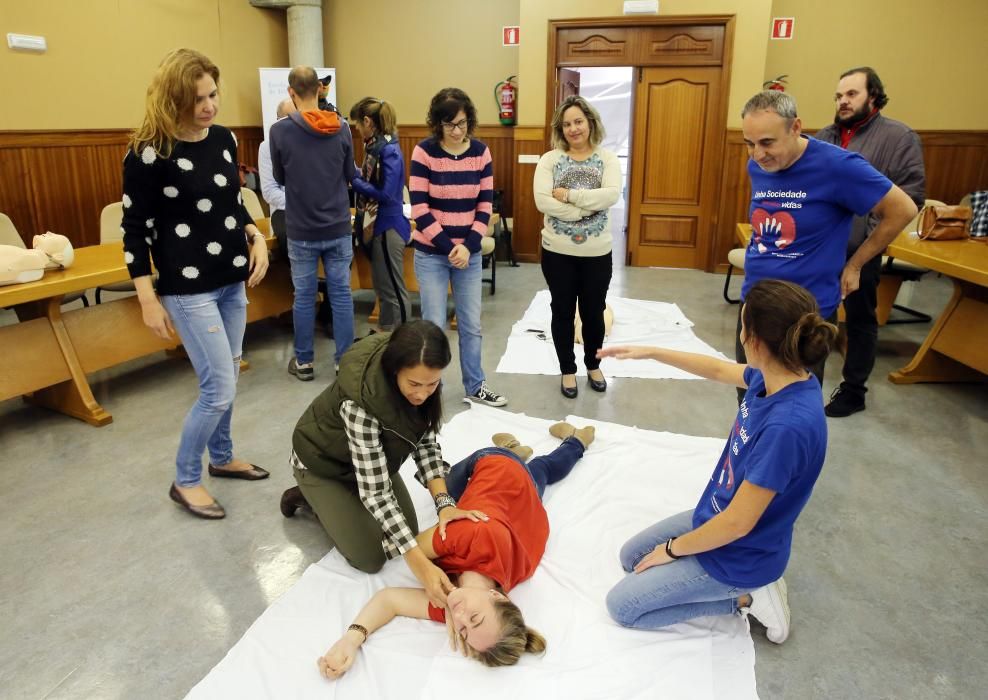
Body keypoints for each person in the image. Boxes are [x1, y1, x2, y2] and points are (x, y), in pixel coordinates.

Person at [600, 279, 838, 643]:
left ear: (754, 341)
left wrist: (672, 550)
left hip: (740, 554)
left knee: (623, 608)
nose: (738, 334)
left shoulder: (787, 427)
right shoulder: (774, 376)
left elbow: (737, 525)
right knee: (631, 557)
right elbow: (716, 370)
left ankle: (747, 597)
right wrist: (651, 352)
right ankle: (732, 585)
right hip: (718, 513)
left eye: (741, 325)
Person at [315, 421, 596, 679]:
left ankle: (577, 442)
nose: (459, 617)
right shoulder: (468, 534)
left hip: (525, 504)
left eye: (463, 631)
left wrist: (351, 639)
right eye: (474, 618)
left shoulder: (460, 604)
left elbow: (390, 600)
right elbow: (409, 547)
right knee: (445, 485)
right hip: (496, 465)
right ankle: (509, 449)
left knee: (543, 471)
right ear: (497, 597)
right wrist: (431, 573)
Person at [121, 48, 270, 520]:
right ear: (174, 101)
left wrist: (256, 236)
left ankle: (222, 458)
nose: (209, 106)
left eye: (213, 94)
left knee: (229, 372)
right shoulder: (149, 152)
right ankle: (186, 479)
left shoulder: (223, 139)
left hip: (230, 279)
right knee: (218, 387)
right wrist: (146, 296)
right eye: (197, 99)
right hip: (187, 290)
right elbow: (133, 229)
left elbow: (231, 200)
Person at [736, 90, 917, 401]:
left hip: (806, 309)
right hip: (756, 301)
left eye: (767, 142)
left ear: (795, 127)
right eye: (749, 144)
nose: (757, 154)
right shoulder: (759, 166)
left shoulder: (838, 166)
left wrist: (856, 264)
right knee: (750, 399)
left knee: (791, 406)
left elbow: (903, 209)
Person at [281, 320, 468, 610]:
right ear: (394, 371)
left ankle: (341, 508)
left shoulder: (424, 377)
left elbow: (426, 443)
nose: (422, 394)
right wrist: (421, 567)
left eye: (432, 384)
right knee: (370, 558)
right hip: (324, 463)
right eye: (414, 384)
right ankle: (309, 497)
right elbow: (377, 493)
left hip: (371, 462)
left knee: (405, 535)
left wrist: (445, 503)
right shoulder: (360, 403)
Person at [815, 67, 925, 417]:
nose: (843, 102)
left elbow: (910, 198)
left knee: (861, 320)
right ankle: (804, 387)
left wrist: (862, 251)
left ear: (873, 96)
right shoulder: (824, 136)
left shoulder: (898, 137)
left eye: (851, 94)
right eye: (838, 96)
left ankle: (854, 391)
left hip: (862, 249)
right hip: (822, 249)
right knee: (818, 316)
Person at [409, 87, 507, 407]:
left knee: (471, 324)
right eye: (449, 124)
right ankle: (429, 389)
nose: (456, 131)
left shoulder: (481, 152)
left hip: (469, 254)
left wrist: (468, 246)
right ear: (437, 123)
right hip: (431, 255)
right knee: (433, 325)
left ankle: (475, 385)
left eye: (462, 123)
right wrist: (450, 246)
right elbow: (420, 209)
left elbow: (484, 206)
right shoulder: (424, 152)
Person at [270, 65, 357, 381]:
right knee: (341, 294)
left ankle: (304, 362)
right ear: (320, 90)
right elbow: (351, 175)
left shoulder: (279, 131)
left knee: (304, 296)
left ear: (291, 93)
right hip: (336, 226)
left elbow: (280, 177)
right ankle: (344, 362)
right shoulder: (342, 128)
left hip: (301, 229)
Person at [534, 95, 621, 398]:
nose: (573, 128)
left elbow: (610, 195)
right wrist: (587, 208)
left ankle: (593, 365)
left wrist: (570, 197)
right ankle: (567, 370)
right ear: (561, 129)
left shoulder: (607, 159)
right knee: (562, 311)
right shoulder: (550, 160)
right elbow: (542, 200)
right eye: (567, 124)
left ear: (590, 122)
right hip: (557, 253)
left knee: (594, 312)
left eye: (578, 121)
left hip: (597, 253)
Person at [349, 97, 411, 333]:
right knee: (383, 289)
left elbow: (386, 194)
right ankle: (386, 336)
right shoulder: (375, 147)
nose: (356, 128)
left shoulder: (388, 150)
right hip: (377, 225)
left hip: (388, 226)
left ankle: (406, 340)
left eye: (357, 123)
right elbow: (371, 180)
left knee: (394, 290)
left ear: (368, 121)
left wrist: (354, 182)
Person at [258, 97, 297, 252]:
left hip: (313, 207)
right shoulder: (267, 147)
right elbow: (269, 191)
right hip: (284, 209)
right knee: (290, 237)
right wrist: (299, 204)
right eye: (288, 120)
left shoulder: (310, 142)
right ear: (278, 122)